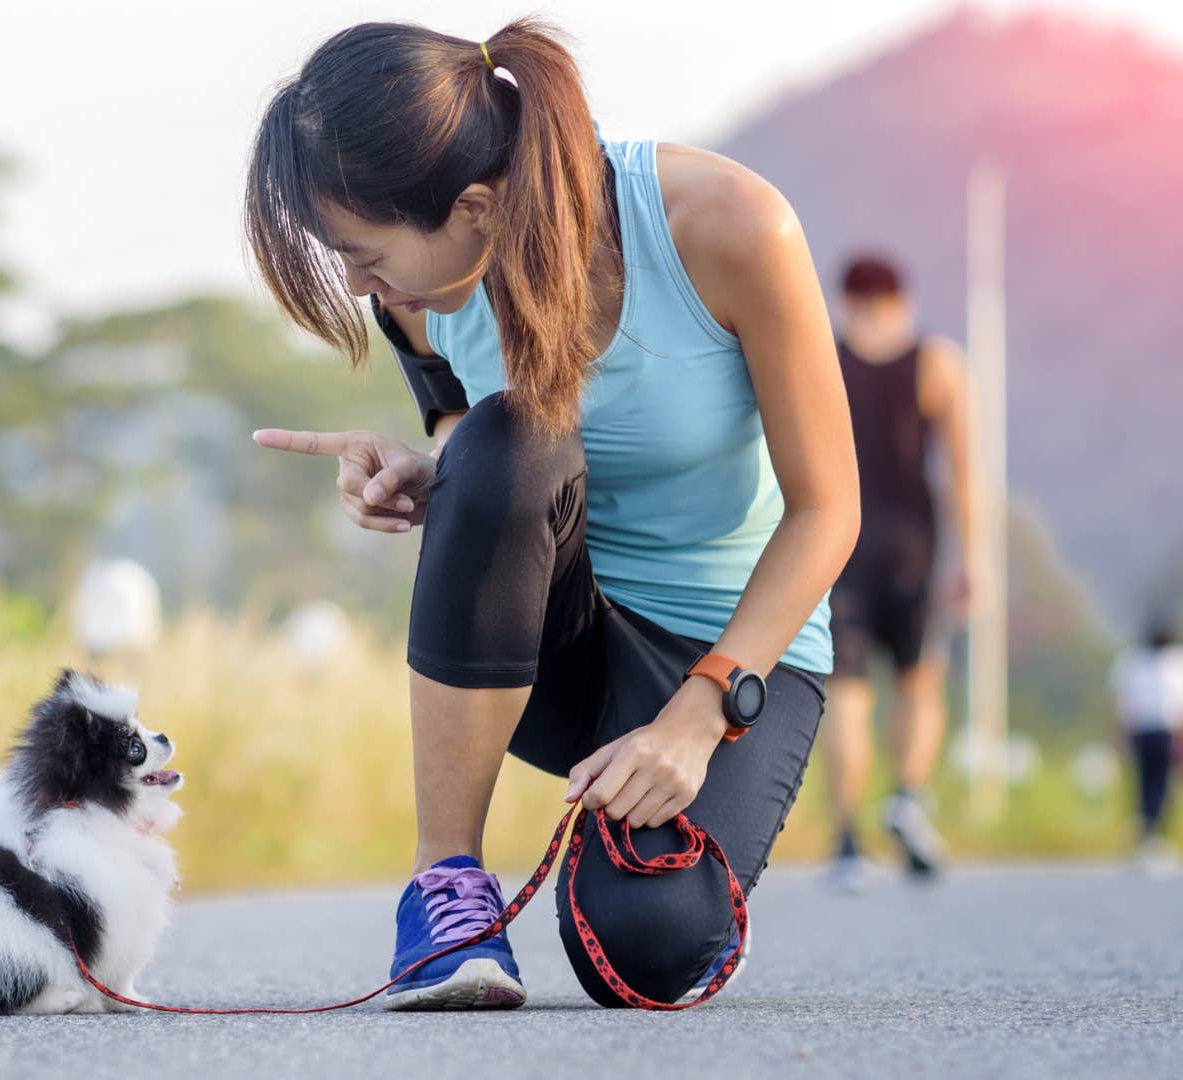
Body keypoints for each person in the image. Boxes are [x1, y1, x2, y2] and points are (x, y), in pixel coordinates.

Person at [244, 18, 857, 1009]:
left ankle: (680, 887)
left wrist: (698, 715)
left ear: (476, 207)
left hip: (726, 646)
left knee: (645, 952)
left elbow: (828, 510)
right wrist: (433, 474)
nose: (355, 284)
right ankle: (447, 890)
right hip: (552, 645)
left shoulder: (728, 225)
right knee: (508, 439)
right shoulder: (417, 289)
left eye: (362, 255)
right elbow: (479, 443)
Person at [821, 256, 979, 889]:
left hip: (840, 544)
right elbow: (963, 470)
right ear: (902, 299)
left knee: (847, 693)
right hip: (916, 548)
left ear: (845, 299)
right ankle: (907, 798)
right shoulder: (937, 363)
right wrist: (972, 560)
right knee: (919, 682)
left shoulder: (824, 356)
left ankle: (848, 841)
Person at [1111, 622, 1183, 873]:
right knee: (1152, 784)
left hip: (1157, 732)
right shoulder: (1147, 663)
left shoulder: (1138, 662)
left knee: (1156, 784)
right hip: (1151, 731)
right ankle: (1148, 836)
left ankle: (1151, 835)